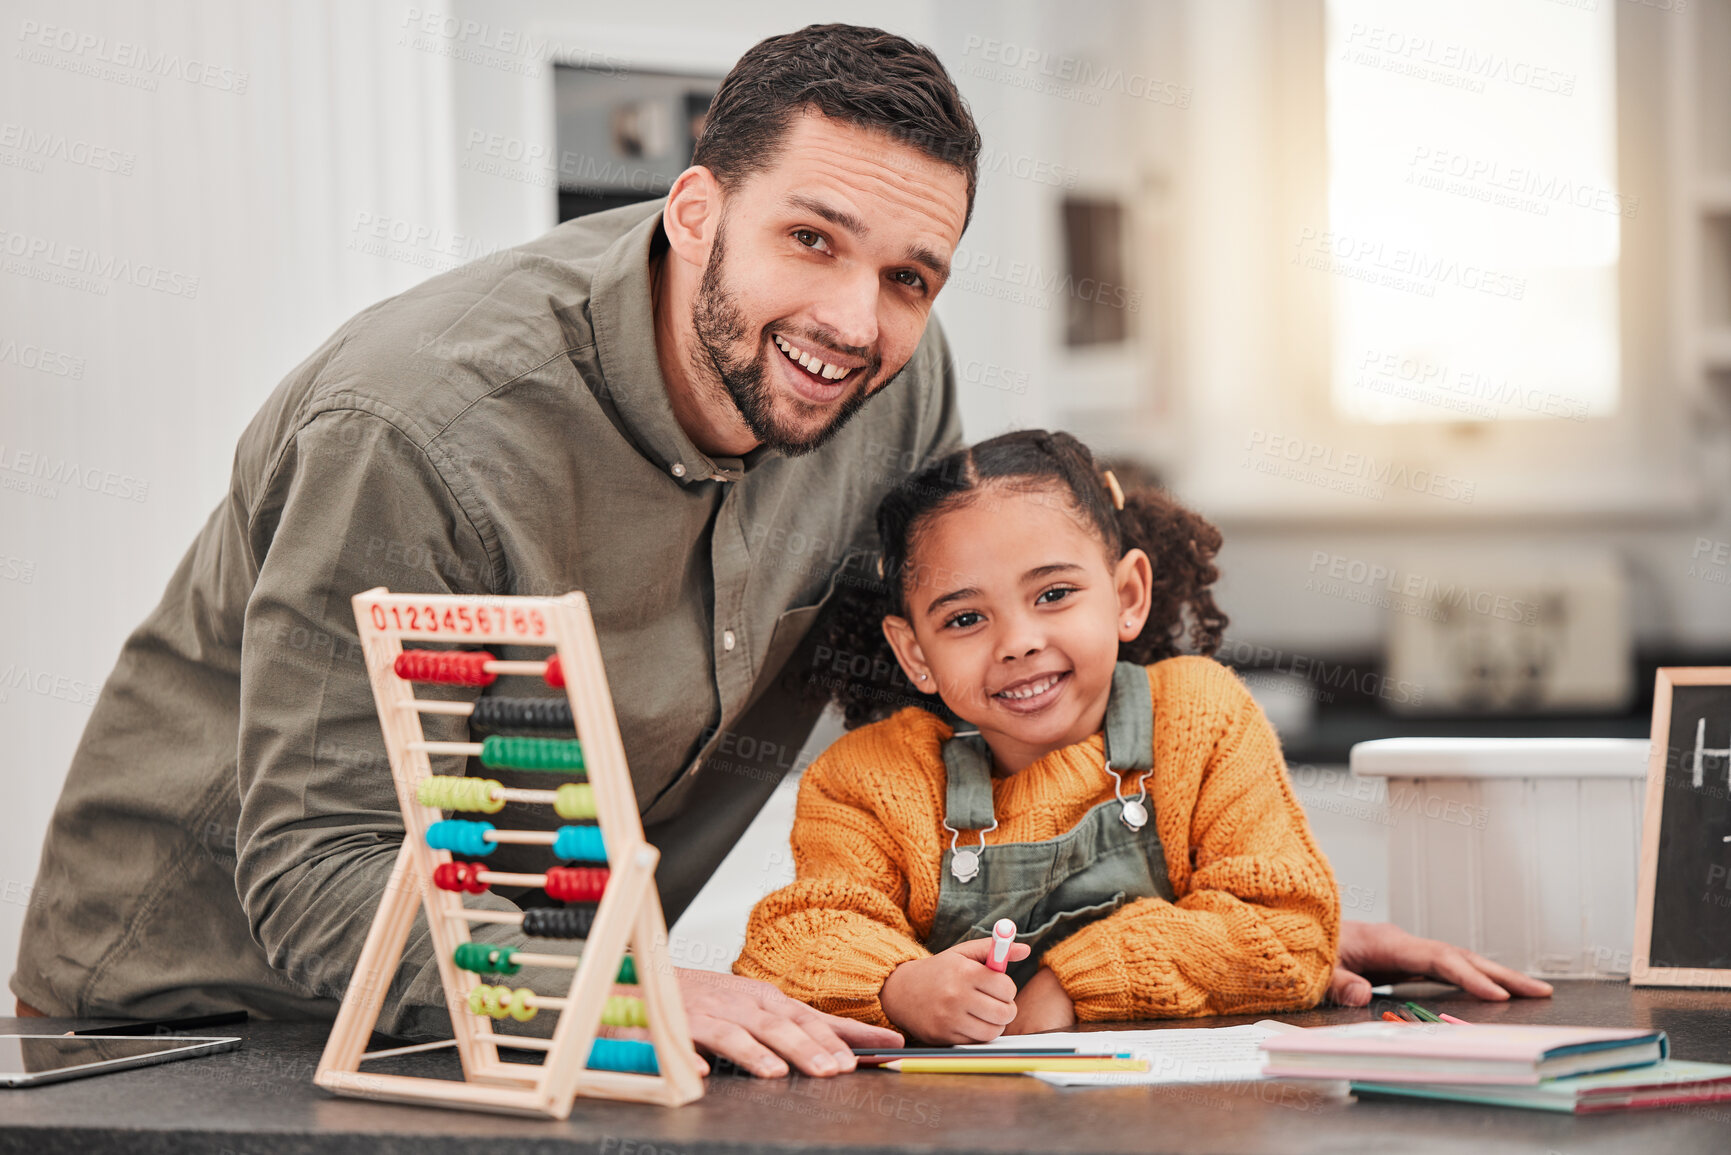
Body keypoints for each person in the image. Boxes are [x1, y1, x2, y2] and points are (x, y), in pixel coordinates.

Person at [10, 23, 1546, 1077]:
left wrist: (1207, 907)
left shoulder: (891, 388)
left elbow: (945, 737)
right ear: (695, 208)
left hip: (548, 1025)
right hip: (194, 1022)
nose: (855, 320)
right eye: (810, 239)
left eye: (909, 274)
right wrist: (619, 985)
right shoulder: (419, 433)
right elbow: (318, 861)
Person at [736, 430, 1341, 1040]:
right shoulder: (865, 779)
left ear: (1127, 595)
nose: (1018, 642)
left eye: (1053, 594)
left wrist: (1070, 985)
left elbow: (1287, 934)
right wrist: (897, 985)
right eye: (966, 618)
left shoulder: (1200, 717)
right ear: (915, 651)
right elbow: (794, 945)